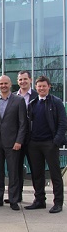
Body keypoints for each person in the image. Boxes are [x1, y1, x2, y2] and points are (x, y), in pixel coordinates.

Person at [25, 75, 67, 213]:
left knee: (55, 174)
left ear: (49, 87)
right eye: (39, 86)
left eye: (44, 86)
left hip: (50, 143)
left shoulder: (56, 102)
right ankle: (39, 201)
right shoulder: (32, 103)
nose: (41, 88)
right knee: (37, 174)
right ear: (35, 88)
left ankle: (58, 203)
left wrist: (56, 141)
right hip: (34, 144)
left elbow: (62, 123)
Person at [0, 75, 27, 211]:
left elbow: (23, 123)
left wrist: (19, 140)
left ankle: (14, 200)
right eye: (1, 83)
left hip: (13, 143)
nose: (3, 86)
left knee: (13, 172)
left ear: (10, 85)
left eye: (6, 83)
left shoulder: (19, 101)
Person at [5, 70, 38, 204]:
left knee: (35, 169)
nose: (22, 82)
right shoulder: (11, 96)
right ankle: (16, 196)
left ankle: (39, 197)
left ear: (30, 80)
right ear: (17, 82)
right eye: (20, 80)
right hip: (16, 139)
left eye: (25, 79)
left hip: (32, 139)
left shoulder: (37, 95)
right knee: (16, 169)